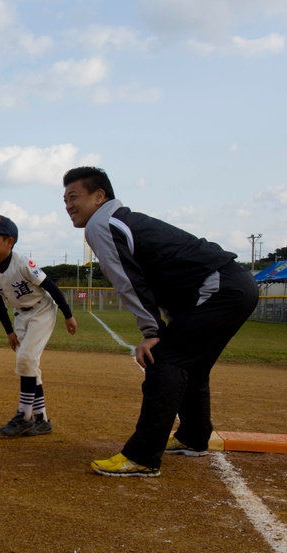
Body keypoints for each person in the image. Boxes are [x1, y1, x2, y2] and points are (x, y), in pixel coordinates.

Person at [63, 166, 258, 477]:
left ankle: (142, 455)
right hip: (230, 285)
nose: (68, 205)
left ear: (99, 197)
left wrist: (152, 331)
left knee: (164, 361)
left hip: (220, 288)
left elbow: (127, 280)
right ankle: (193, 438)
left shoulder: (102, 223)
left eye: (74, 196)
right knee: (191, 366)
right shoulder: (120, 219)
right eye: (64, 199)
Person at [0, 215, 77, 436]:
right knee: (29, 365)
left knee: (26, 359)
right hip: (20, 316)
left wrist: (67, 315)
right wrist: (10, 331)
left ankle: (24, 415)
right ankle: (41, 419)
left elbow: (51, 286)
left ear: (9, 242)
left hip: (42, 310)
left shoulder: (23, 264)